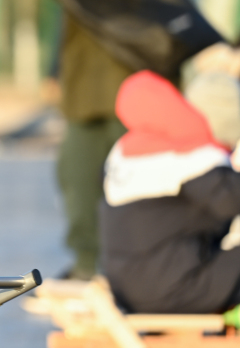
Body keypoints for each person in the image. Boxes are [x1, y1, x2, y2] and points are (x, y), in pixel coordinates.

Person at [39, 0, 181, 280]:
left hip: (131, 64)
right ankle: (89, 266)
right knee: (77, 171)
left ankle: (134, 269)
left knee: (134, 175)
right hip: (90, 65)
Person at [100, 70, 240, 313]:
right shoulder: (194, 157)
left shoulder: (128, 149)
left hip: (127, 287)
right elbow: (231, 202)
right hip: (172, 290)